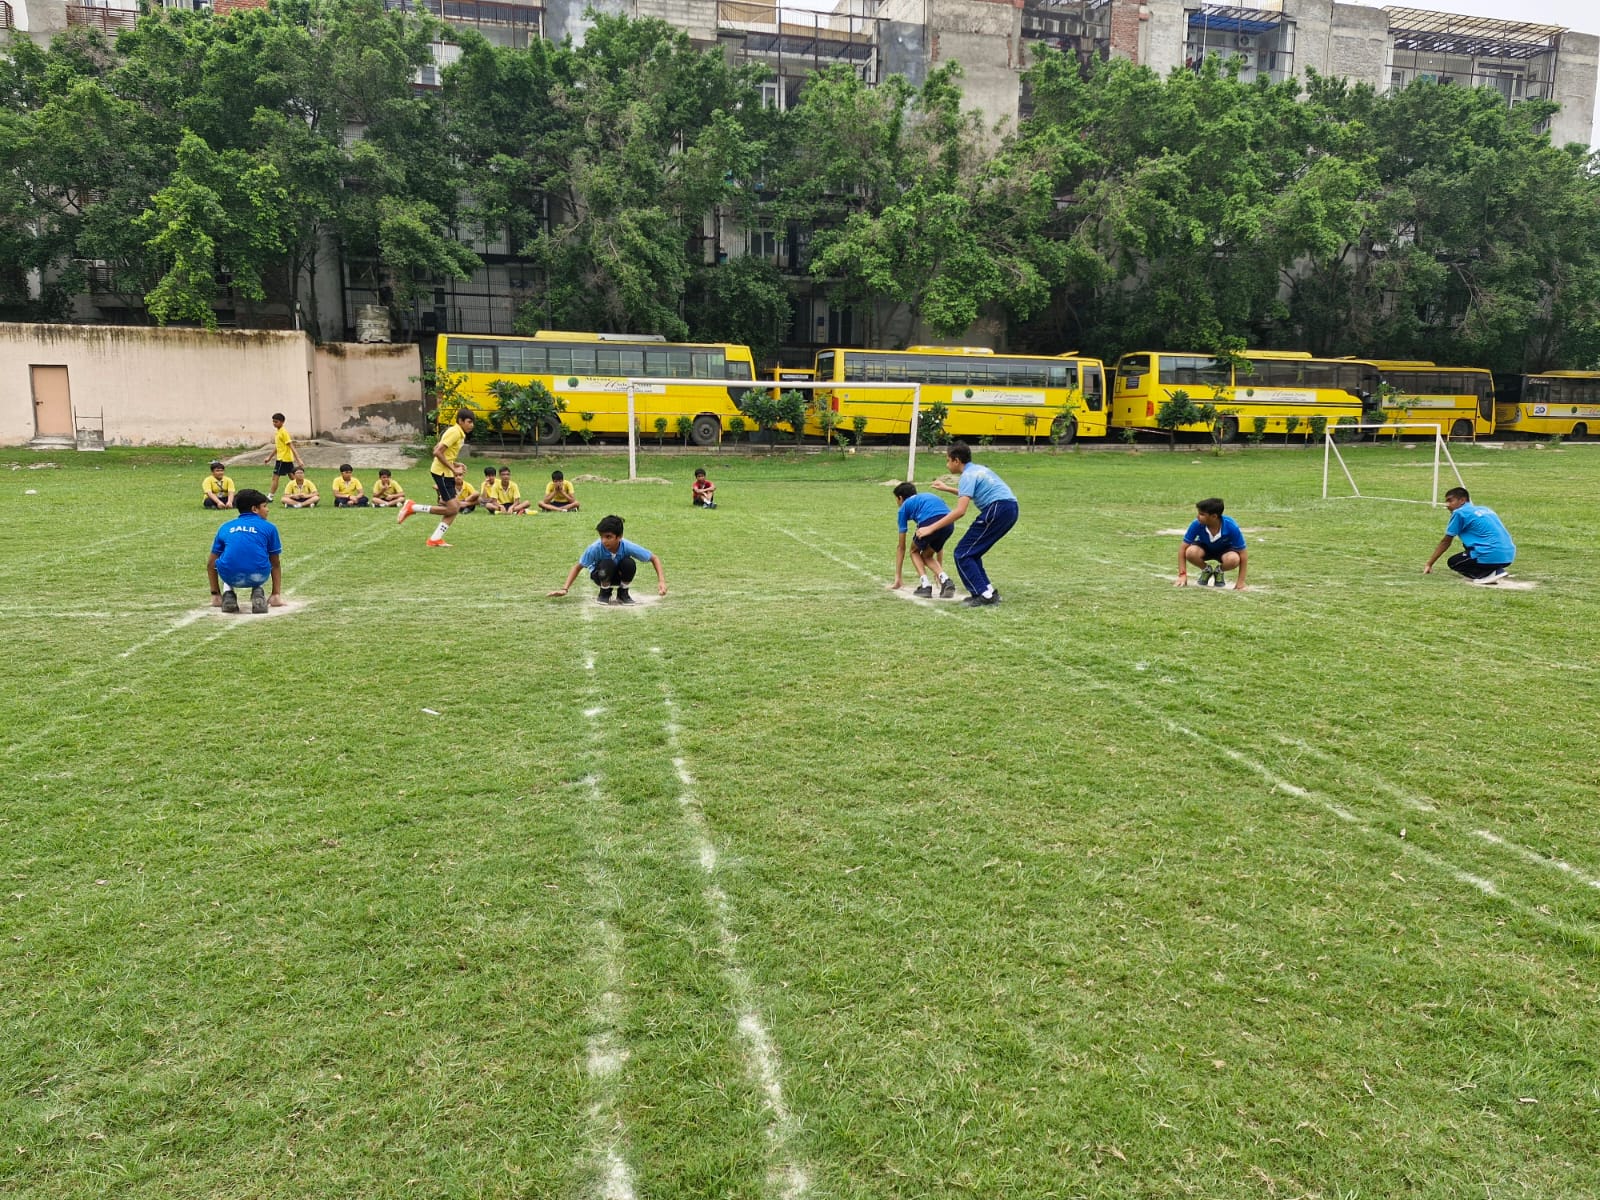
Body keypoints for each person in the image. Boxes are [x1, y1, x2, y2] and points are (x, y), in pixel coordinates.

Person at [919, 442, 1018, 607]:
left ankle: (984, 595)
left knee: (962, 553)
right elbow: (969, 494)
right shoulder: (977, 470)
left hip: (998, 509)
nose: (947, 464)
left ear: (956, 460)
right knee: (972, 552)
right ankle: (987, 591)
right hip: (1009, 508)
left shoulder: (967, 475)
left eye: (948, 460)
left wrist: (931, 527)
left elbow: (960, 511)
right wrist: (947, 488)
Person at [548, 514, 667, 605]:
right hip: (600, 575)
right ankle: (604, 592)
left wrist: (661, 582)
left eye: (608, 537)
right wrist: (565, 589)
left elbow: (654, 558)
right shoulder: (594, 548)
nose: (604, 541)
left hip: (619, 576)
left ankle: (623, 593)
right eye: (602, 537)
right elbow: (578, 567)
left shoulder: (627, 546)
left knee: (629, 563)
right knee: (607, 563)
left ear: (619, 537)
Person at [397, 409, 474, 547]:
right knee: (452, 508)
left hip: (446, 473)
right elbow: (437, 452)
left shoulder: (456, 432)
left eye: (472, 422)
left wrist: (455, 463)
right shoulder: (455, 432)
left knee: (455, 508)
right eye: (469, 422)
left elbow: (439, 449)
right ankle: (412, 507)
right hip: (442, 473)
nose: (471, 425)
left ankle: (435, 539)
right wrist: (453, 469)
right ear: (461, 421)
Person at [207, 488, 284, 614]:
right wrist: (276, 593)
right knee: (260, 559)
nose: (268, 509)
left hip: (230, 576)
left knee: (226, 560)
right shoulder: (269, 527)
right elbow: (275, 563)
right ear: (254, 509)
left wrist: (215, 594)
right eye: (264, 506)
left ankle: (228, 592)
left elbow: (211, 564)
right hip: (258, 575)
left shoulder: (225, 527)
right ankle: (258, 590)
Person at [1424, 486, 1515, 584]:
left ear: (1462, 500)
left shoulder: (1459, 513)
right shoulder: (1485, 509)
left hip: (1490, 554)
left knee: (1454, 562)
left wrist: (1429, 564)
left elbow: (1446, 542)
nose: (1447, 505)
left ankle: (1487, 574)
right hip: (1508, 556)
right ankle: (1495, 568)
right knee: (1467, 546)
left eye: (1450, 501)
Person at [889, 481, 955, 597]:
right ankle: (945, 580)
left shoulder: (903, 508)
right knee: (927, 555)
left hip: (929, 522)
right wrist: (938, 567)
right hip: (949, 523)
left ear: (900, 498)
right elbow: (939, 546)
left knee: (914, 551)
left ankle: (925, 585)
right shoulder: (929, 496)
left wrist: (898, 576)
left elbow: (901, 547)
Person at [1177, 497, 1248, 590]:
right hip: (1204, 548)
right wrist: (1182, 575)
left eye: (1202, 514)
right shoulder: (1197, 524)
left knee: (1234, 559)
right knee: (1190, 552)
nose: (1197, 516)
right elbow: (1182, 548)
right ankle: (1206, 570)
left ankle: (1219, 571)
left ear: (1214, 516)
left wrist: (1241, 582)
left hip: (1225, 551)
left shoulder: (1231, 526)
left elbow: (1243, 553)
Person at [263, 412, 303, 501]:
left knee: (275, 477)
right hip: (284, 459)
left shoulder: (284, 432)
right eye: (273, 421)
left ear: (282, 422)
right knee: (293, 477)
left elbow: (291, 445)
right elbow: (278, 447)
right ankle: (300, 493)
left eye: (276, 422)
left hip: (283, 459)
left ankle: (270, 496)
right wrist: (269, 457)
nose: (274, 423)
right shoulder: (278, 432)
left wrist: (298, 459)